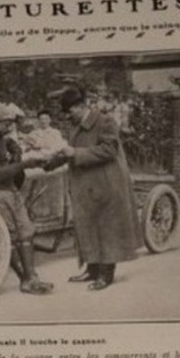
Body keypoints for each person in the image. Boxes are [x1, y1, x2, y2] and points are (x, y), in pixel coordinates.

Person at [53, 86, 143, 291]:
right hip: (86, 186)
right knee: (87, 227)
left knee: (106, 228)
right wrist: (52, 157)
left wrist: (76, 152)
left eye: (70, 111)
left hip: (107, 184)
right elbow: (72, 152)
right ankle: (92, 269)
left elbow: (109, 150)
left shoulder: (105, 122)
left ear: (81, 106)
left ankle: (106, 274)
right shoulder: (76, 125)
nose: (68, 116)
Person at [0, 101, 54, 295]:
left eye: (11, 123)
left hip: (10, 191)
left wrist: (15, 148)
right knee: (9, 236)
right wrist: (26, 164)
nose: (10, 127)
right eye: (6, 124)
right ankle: (26, 279)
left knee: (26, 232)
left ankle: (32, 277)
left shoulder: (0, 137)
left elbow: (10, 144)